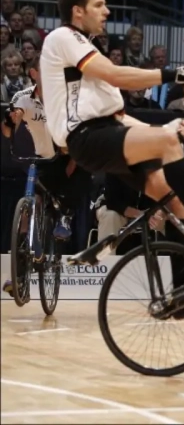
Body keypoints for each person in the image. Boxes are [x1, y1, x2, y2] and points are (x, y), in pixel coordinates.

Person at [39, 0, 184, 315]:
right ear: (77, 11)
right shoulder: (64, 38)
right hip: (85, 137)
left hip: (106, 132)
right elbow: (116, 75)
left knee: (172, 194)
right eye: (99, 5)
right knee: (168, 145)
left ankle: (183, 295)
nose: (107, 11)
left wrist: (164, 129)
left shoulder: (86, 51)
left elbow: (121, 117)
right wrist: (173, 73)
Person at [2, 55, 92, 297]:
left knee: (81, 171)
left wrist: (71, 161)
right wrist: (13, 120)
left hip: (67, 155)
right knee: (30, 205)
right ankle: (19, 271)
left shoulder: (65, 98)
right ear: (34, 74)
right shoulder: (23, 98)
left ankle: (65, 216)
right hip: (42, 159)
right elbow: (7, 126)